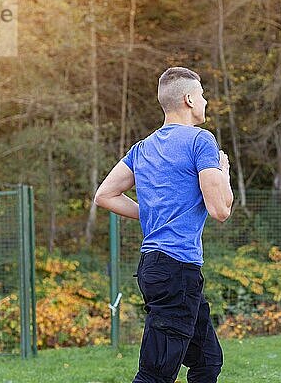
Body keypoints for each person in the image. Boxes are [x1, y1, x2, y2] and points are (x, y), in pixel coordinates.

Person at [94, 66, 234, 383]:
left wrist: (155, 213)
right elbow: (220, 210)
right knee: (154, 375)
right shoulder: (201, 141)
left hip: (159, 268)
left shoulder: (142, 148)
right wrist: (224, 175)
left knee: (208, 361)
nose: (205, 101)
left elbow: (105, 195)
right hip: (176, 271)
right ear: (188, 99)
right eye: (202, 95)